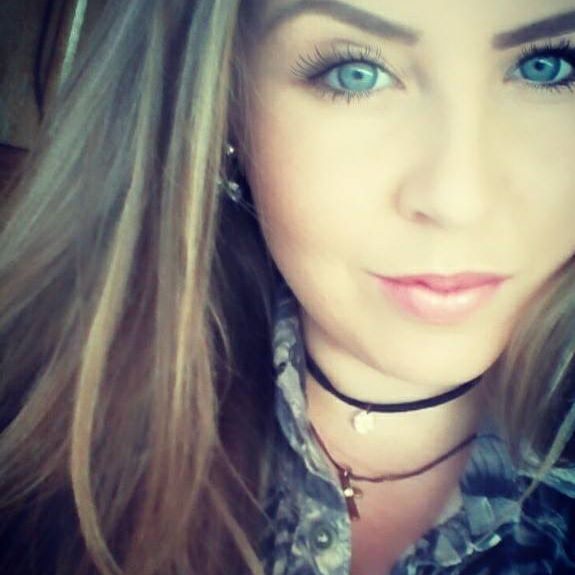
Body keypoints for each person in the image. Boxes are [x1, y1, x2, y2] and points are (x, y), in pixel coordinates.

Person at [1, 0, 574, 573]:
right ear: (225, 106)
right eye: (356, 72)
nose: (459, 200)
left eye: (546, 67)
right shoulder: (38, 429)